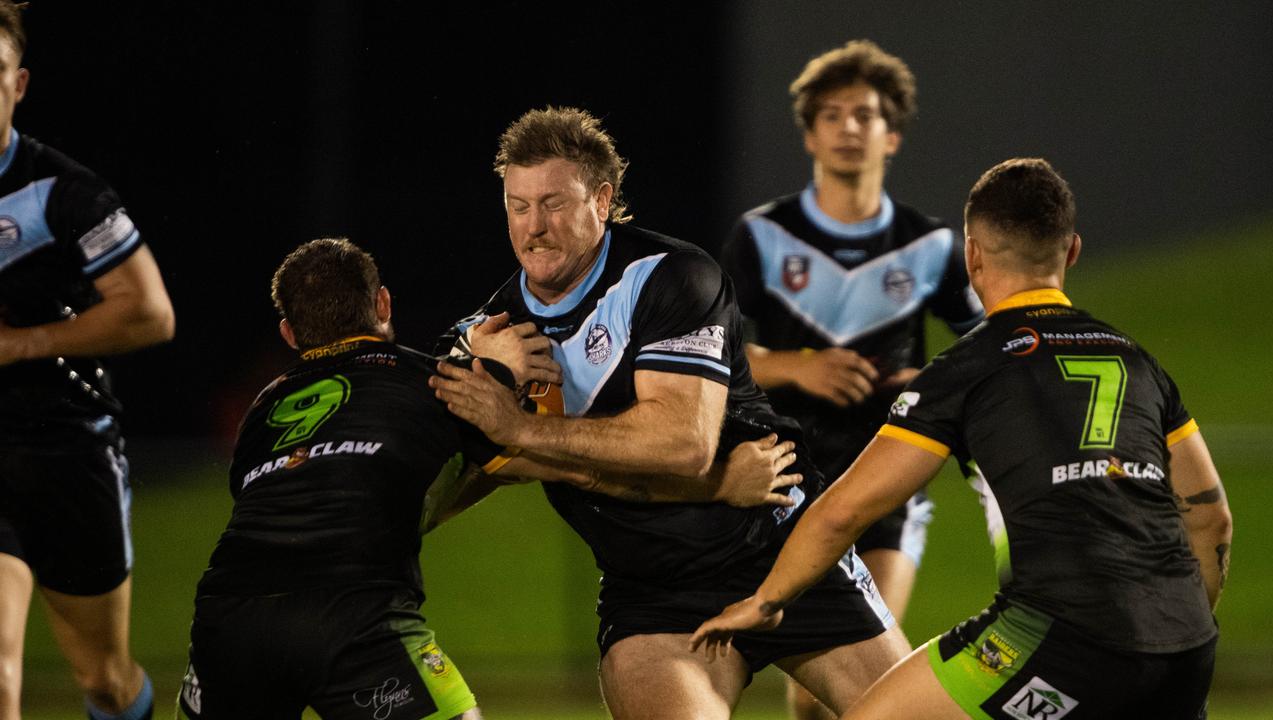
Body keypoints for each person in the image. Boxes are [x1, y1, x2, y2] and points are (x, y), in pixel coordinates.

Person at [691, 158, 1232, 720]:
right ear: (1071, 250)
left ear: (971, 255)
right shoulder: (1138, 362)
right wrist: (1174, 630)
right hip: (1188, 647)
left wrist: (766, 601)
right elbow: (1211, 519)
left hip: (1060, 638)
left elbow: (844, 512)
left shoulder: (969, 367)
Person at [177, 238, 800, 719]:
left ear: (290, 334)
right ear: (384, 305)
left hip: (227, 615)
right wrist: (717, 483)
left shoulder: (262, 408)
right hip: (353, 613)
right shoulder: (431, 382)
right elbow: (574, 468)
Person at [430, 106, 911, 720]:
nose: (534, 228)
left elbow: (682, 443)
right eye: (518, 207)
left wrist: (523, 431)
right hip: (652, 595)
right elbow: (459, 473)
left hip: (781, 550)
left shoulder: (671, 277)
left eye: (554, 203)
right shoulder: (486, 337)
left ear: (602, 201)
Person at [720, 42, 984, 718]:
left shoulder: (931, 247)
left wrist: (929, 380)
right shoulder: (762, 236)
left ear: (891, 134)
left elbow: (993, 351)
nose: (847, 129)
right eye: (831, 115)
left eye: (864, 115)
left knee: (870, 690)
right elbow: (707, 355)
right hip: (786, 484)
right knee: (814, 697)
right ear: (809, 133)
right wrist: (796, 365)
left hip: (887, 481)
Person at [0, 2, 175, 718]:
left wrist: (19, 344)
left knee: (104, 677)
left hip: (65, 450)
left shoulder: (61, 193)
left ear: (19, 84)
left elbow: (151, 313)